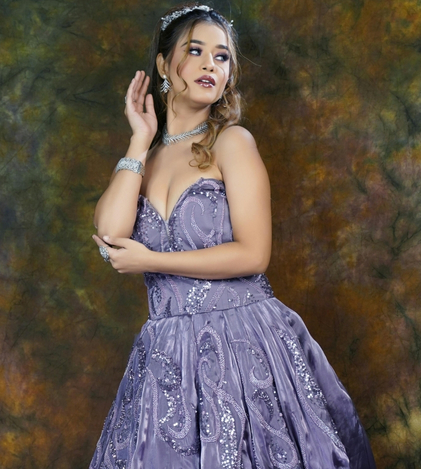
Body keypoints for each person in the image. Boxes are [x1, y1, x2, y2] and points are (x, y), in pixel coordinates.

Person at [90, 3, 376, 468]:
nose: (210, 64)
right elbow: (109, 231)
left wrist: (152, 261)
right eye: (195, 51)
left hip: (243, 342)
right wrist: (139, 140)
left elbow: (254, 254)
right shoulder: (146, 158)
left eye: (221, 56)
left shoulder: (231, 142)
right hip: (167, 354)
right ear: (163, 64)